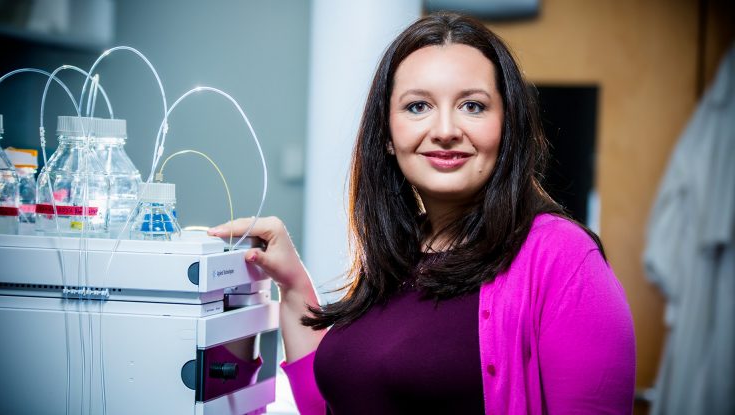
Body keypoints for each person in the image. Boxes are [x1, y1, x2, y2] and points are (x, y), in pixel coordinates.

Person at [209, 11, 636, 415]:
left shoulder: (562, 258)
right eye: (418, 106)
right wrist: (294, 285)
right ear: (388, 135)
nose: (446, 130)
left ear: (508, 127)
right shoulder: (399, 254)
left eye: (473, 105)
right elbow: (334, 406)